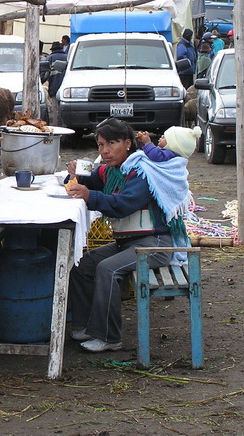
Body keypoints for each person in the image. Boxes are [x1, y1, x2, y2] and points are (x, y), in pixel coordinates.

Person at [65, 118, 191, 352]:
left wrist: (89, 195)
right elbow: (91, 177)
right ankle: (86, 326)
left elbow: (124, 204)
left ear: (128, 144)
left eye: (111, 143)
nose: (105, 150)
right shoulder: (111, 170)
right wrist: (75, 174)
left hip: (155, 244)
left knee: (107, 269)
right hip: (129, 243)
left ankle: (109, 337)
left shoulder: (141, 171)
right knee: (83, 265)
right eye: (101, 144)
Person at [136, 126, 203, 162]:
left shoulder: (170, 154)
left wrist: (147, 143)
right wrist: (143, 144)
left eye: (165, 137)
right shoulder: (169, 153)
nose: (162, 136)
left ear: (173, 145)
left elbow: (154, 155)